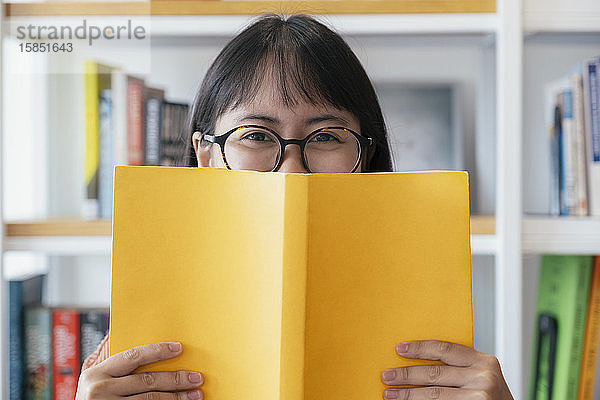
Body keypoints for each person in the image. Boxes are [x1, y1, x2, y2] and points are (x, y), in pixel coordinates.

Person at [75, 13, 514, 400]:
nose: (292, 173)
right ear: (206, 155)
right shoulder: (146, 326)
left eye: (325, 137)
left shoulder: (431, 315)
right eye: (256, 135)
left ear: (366, 155)